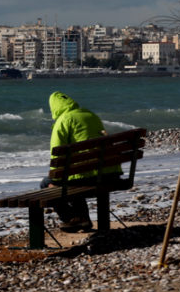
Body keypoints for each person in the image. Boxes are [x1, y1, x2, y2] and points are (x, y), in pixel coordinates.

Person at [42, 91, 121, 232]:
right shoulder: (91, 115)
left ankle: (71, 218)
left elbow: (57, 154)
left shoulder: (63, 120)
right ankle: (82, 218)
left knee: (47, 183)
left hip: (88, 178)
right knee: (74, 176)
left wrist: (56, 178)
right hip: (109, 175)